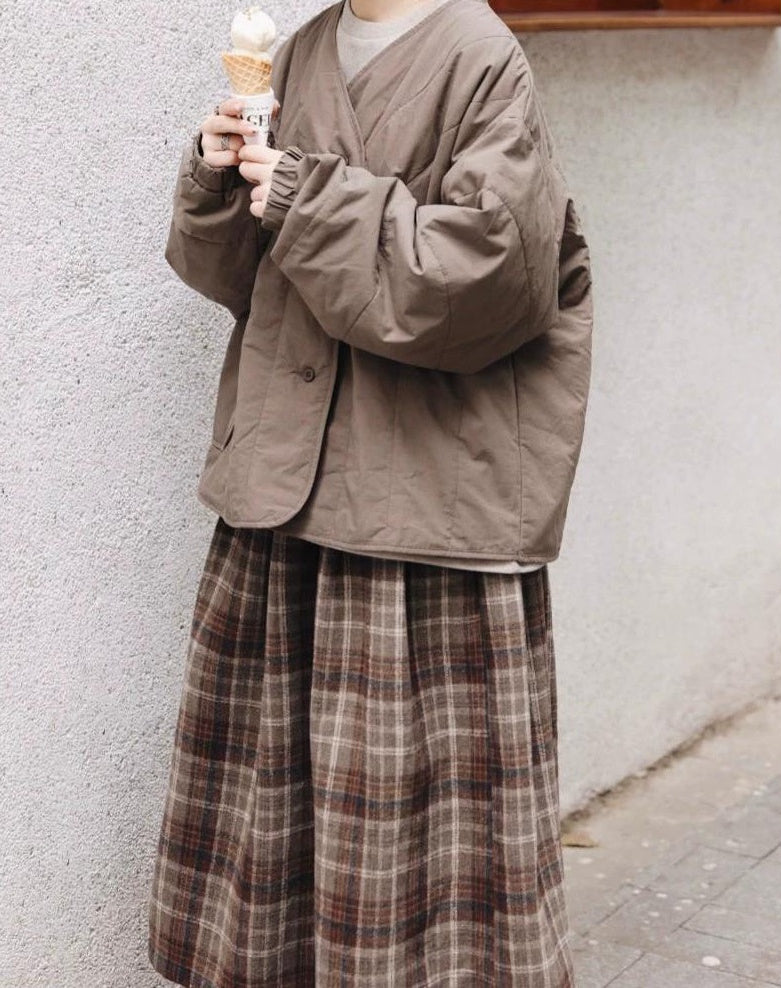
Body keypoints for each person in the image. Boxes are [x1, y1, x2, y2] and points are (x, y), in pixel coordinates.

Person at [147, 0, 593, 984]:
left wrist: (303, 197)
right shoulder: (303, 51)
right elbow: (251, 283)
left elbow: (491, 279)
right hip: (290, 492)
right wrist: (221, 180)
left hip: (421, 508)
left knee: (413, 825)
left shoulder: (480, 55)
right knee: (278, 805)